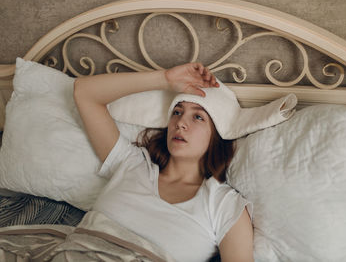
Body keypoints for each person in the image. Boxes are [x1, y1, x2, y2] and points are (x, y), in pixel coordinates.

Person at [73, 62, 254, 262]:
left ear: (217, 134)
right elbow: (84, 92)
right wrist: (165, 79)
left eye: (198, 117)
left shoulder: (224, 205)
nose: (180, 123)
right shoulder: (131, 163)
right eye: (177, 112)